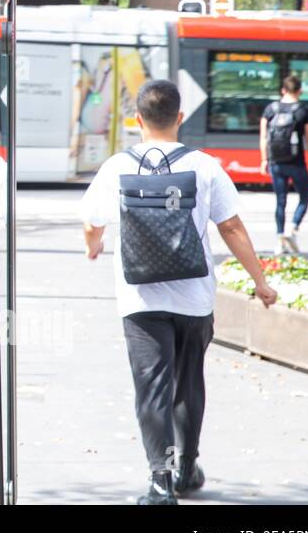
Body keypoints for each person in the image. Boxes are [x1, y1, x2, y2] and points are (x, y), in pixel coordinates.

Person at [81, 78, 277, 505]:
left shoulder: (117, 166)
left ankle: (159, 481)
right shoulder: (205, 166)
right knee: (188, 384)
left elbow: (92, 222)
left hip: (140, 301)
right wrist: (260, 282)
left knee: (152, 389)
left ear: (138, 119)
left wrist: (94, 245)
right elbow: (231, 227)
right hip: (194, 299)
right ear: (179, 118)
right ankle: (186, 468)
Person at [259, 74, 308, 255]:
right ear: (300, 91)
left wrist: (264, 160)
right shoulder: (303, 111)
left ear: (283, 90)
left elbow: (263, 138)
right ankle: (292, 229)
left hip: (276, 163)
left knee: (280, 201)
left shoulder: (270, 109)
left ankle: (279, 239)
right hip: (297, 163)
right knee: (304, 197)